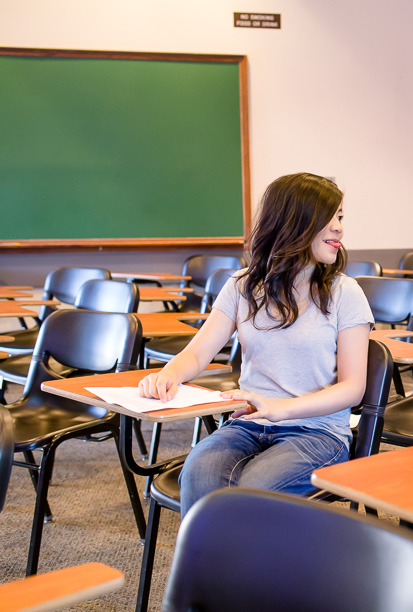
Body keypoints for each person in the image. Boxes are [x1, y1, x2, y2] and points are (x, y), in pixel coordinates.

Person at [138, 173, 373, 518]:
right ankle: (210, 573)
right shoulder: (242, 286)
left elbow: (353, 388)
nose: (339, 228)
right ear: (294, 221)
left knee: (246, 496)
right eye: (330, 217)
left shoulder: (345, 292)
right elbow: (198, 352)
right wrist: (168, 375)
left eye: (340, 217)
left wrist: (281, 408)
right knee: (199, 479)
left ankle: (235, 571)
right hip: (248, 424)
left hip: (317, 432)